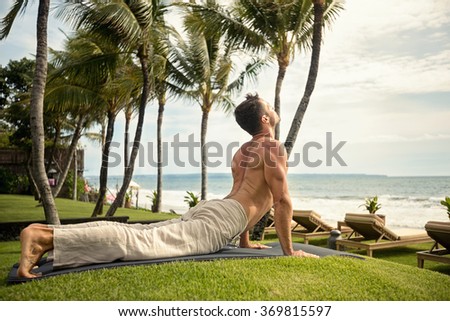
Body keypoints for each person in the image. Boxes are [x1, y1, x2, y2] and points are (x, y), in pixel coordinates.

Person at [17, 93, 318, 278]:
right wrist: (289, 251)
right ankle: (43, 235)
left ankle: (50, 239)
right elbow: (280, 201)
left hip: (216, 208)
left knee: (141, 231)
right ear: (266, 118)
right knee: (142, 243)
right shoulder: (273, 147)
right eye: (269, 106)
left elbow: (247, 196)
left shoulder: (242, 152)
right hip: (223, 217)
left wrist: (244, 241)